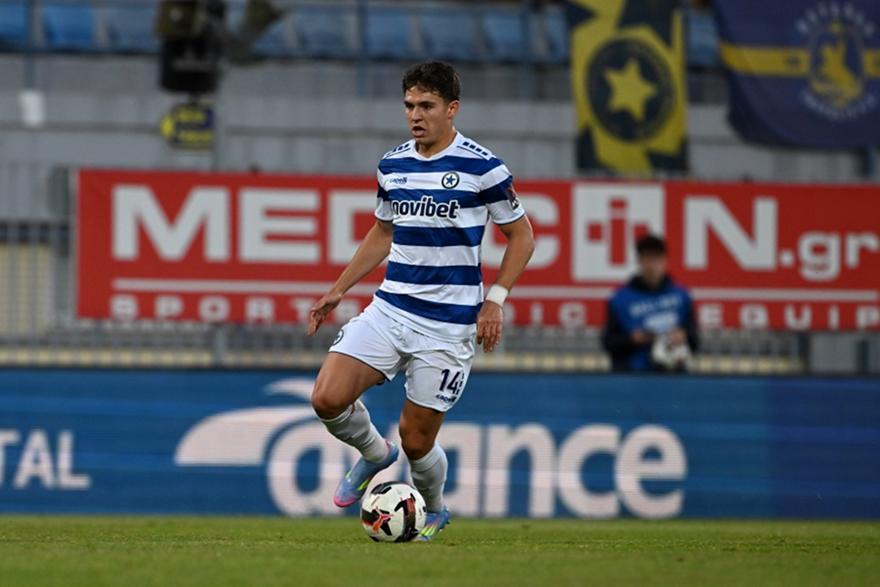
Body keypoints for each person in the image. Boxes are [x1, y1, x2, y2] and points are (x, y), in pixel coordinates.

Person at [307, 61, 535, 541]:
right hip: (392, 308)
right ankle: (375, 454)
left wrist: (495, 300)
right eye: (410, 105)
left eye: (427, 105)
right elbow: (383, 231)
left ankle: (434, 507)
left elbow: (522, 236)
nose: (416, 114)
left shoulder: (483, 167)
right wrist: (339, 288)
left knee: (416, 441)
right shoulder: (392, 165)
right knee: (327, 398)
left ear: (452, 109)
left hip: (448, 327)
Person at [602, 234, 698, 372]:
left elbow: (695, 341)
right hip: (633, 375)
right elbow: (608, 342)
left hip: (673, 374)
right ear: (639, 261)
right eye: (647, 259)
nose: (652, 266)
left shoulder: (681, 297)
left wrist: (683, 337)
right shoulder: (620, 299)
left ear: (665, 261)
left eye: (656, 259)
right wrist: (632, 340)